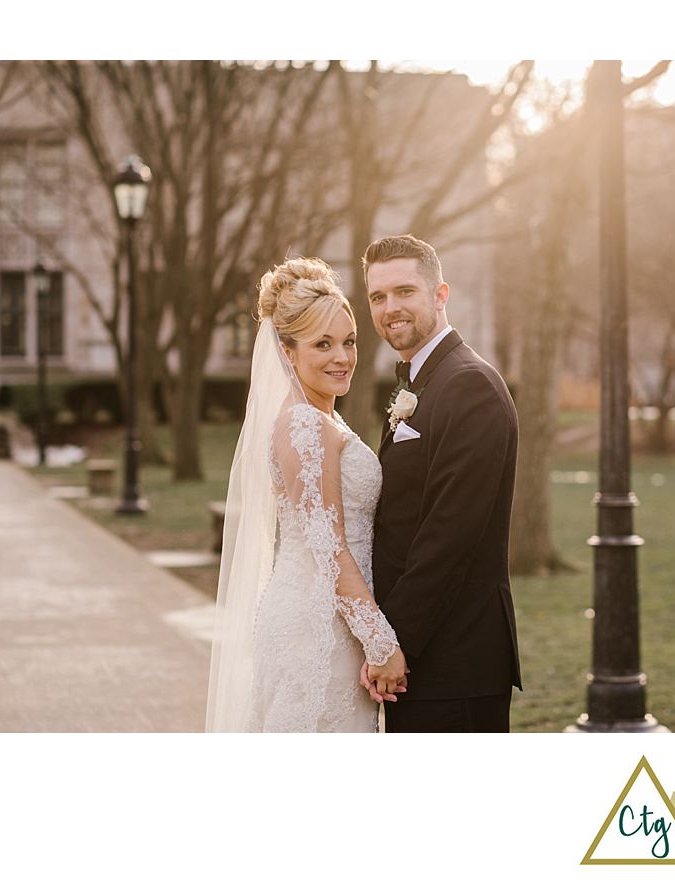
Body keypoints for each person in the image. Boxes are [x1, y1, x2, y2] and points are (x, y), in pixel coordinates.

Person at [206, 257, 406, 732]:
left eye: (349, 341)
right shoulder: (302, 423)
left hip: (332, 619)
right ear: (287, 351)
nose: (343, 357)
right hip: (315, 628)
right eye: (323, 344)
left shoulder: (321, 417)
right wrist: (381, 642)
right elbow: (329, 548)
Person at [364, 234, 522, 733]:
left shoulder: (468, 385)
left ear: (440, 294)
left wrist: (393, 642)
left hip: (456, 661)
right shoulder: (425, 381)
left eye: (405, 291)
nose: (391, 308)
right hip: (427, 661)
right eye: (378, 297)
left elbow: (448, 536)